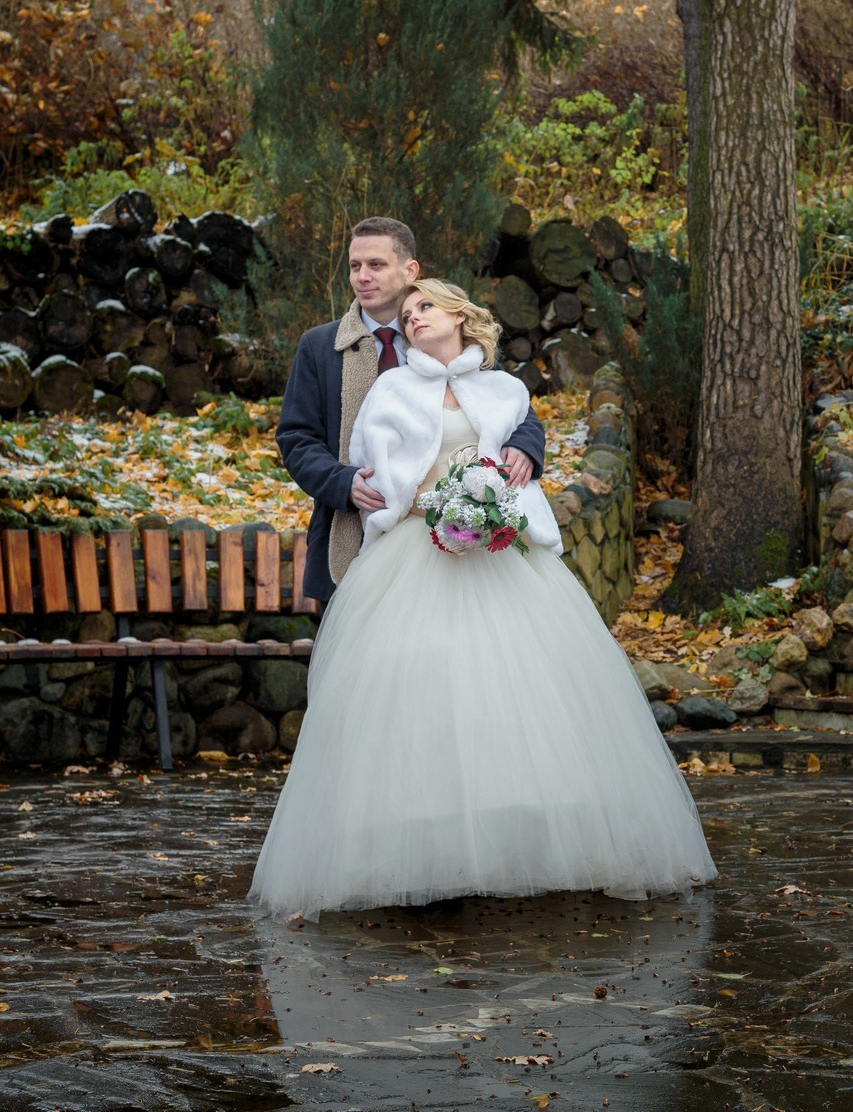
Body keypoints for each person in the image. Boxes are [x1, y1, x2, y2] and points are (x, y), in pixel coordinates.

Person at [250, 279, 715, 919]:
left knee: (524, 690)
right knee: (423, 693)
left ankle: (525, 838)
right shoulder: (391, 389)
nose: (413, 318)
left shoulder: (502, 388)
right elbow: (374, 467)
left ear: (460, 317)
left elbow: (523, 440)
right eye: (407, 314)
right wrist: (430, 503)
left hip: (500, 553)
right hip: (417, 549)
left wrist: (511, 470)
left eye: (425, 308)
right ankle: (422, 844)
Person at [275, 217, 546, 610]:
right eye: (354, 266)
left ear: (410, 270)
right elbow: (296, 437)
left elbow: (508, 403)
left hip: (462, 540)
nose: (362, 277)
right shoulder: (321, 346)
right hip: (355, 529)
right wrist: (342, 483)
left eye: (376, 265)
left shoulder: (442, 334)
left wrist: (524, 444)